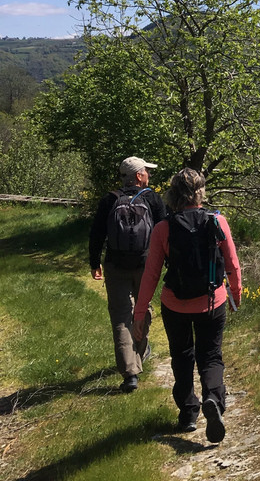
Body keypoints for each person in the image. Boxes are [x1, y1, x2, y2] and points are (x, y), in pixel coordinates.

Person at [133, 168, 241, 442]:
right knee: (211, 356)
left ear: (172, 194)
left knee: (181, 357)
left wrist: (139, 312)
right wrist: (235, 296)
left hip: (175, 304)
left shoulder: (163, 228)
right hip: (211, 301)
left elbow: (151, 273)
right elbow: (232, 265)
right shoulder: (217, 221)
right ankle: (213, 399)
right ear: (200, 192)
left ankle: (188, 412)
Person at [89, 155, 167, 393]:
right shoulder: (152, 198)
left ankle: (130, 374)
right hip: (146, 264)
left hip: (115, 264)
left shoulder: (110, 199)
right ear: (138, 176)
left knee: (122, 317)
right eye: (146, 171)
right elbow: (165, 231)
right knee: (143, 310)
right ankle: (138, 354)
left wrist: (94, 262)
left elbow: (97, 233)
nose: (149, 175)